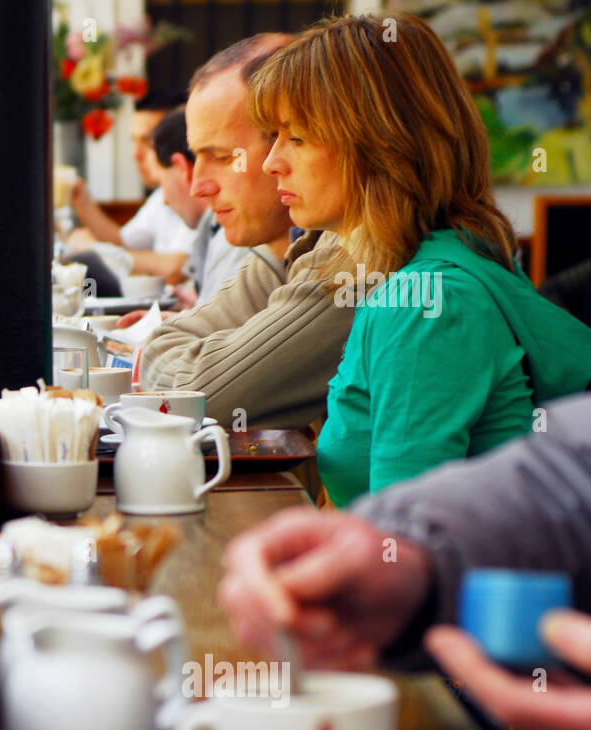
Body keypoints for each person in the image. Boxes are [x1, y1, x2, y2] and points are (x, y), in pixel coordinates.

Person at [248, 13, 591, 507]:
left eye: (296, 137)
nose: (270, 161)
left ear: (382, 145)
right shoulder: (440, 264)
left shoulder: (426, 306)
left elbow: (398, 544)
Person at [218, 393, 591, 730]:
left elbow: (214, 382)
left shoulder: (425, 325)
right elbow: (568, 476)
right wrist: (415, 561)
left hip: (487, 687)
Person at [134, 33, 352, 430]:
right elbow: (165, 354)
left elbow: (192, 396)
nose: (198, 185)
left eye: (221, 157)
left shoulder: (360, 260)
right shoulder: (302, 243)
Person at [67, 90, 197, 284]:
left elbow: (179, 267)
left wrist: (97, 250)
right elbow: (122, 240)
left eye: (148, 141)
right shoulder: (159, 197)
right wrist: (82, 201)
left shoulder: (197, 196)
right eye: (134, 141)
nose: (135, 154)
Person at [146, 107, 251, 308]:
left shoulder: (239, 235)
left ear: (181, 167)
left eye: (222, 157)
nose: (197, 188)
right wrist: (195, 313)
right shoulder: (218, 231)